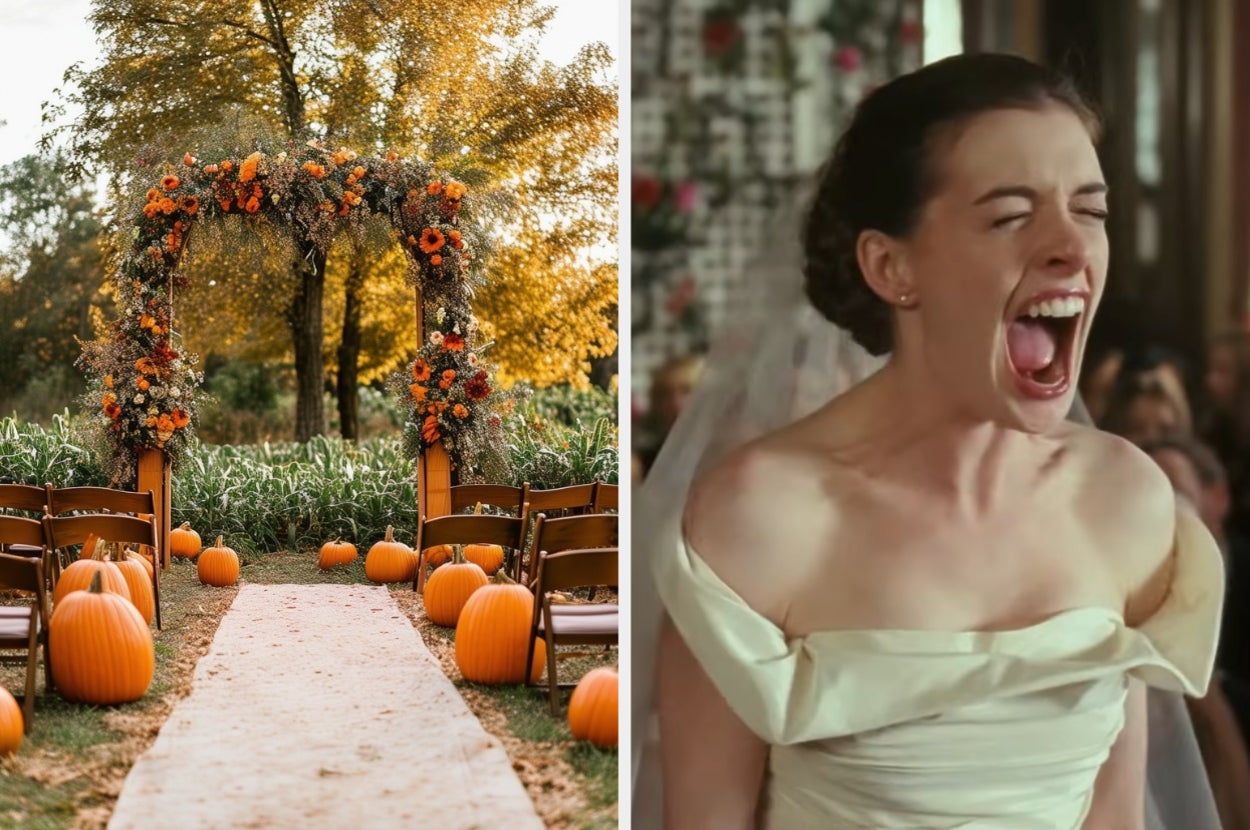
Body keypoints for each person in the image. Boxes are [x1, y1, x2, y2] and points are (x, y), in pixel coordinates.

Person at [632, 52, 1225, 829]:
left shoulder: (1125, 500)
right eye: (1012, 214)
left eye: (1090, 210)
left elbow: (1115, 816)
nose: (1072, 250)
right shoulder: (762, 518)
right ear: (890, 265)